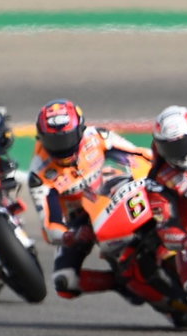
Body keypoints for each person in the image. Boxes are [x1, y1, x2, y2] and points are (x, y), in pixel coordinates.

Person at [27, 99, 150, 298]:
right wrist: (70, 236)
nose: (63, 147)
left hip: (113, 191)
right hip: (80, 221)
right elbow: (50, 225)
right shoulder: (39, 173)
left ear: (80, 130)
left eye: (67, 138)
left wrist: (153, 174)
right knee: (65, 282)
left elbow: (137, 154)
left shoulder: (97, 137)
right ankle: (121, 281)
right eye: (54, 141)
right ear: (41, 138)